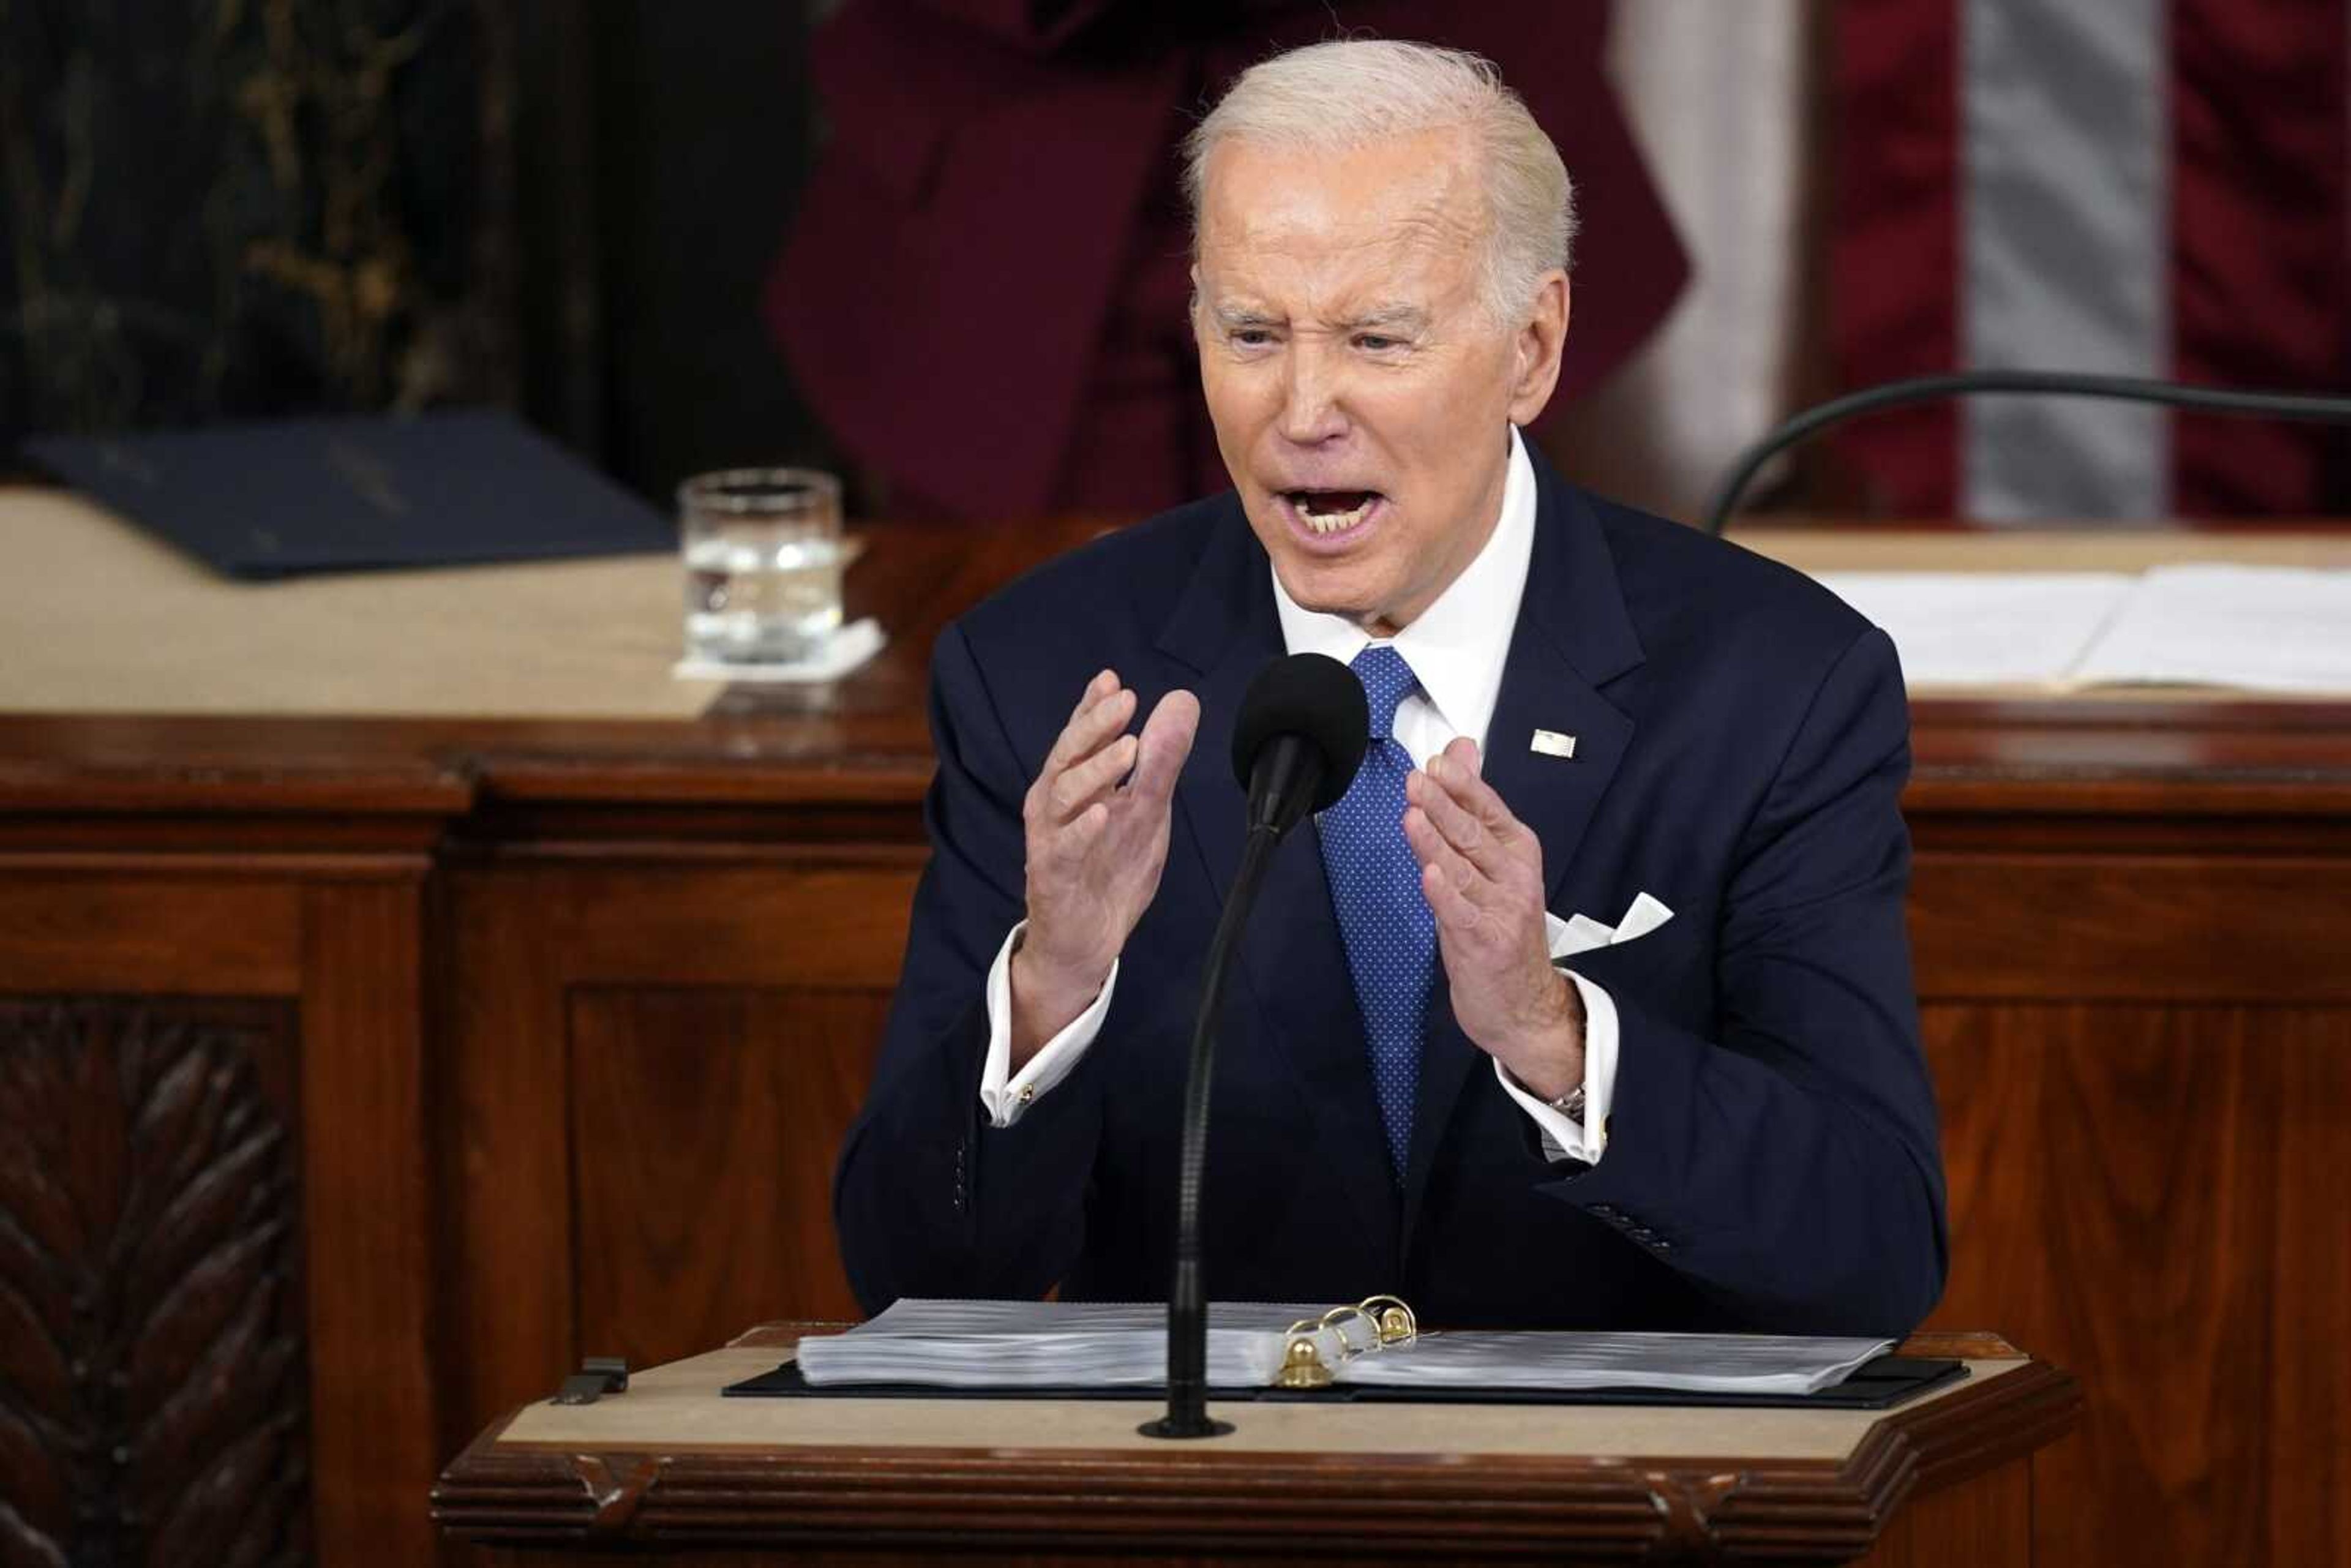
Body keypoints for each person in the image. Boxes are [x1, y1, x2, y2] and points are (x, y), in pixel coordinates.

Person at [836, 40, 1946, 1335]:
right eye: (1252, 334)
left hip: (1611, 1512)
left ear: (1531, 347)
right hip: (1207, 1514)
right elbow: (907, 1282)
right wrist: (1053, 991)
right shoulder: (1046, 682)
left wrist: (1555, 1038)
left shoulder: (1773, 689)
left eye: (1375, 338)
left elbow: (1875, 1250)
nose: (1304, 409)